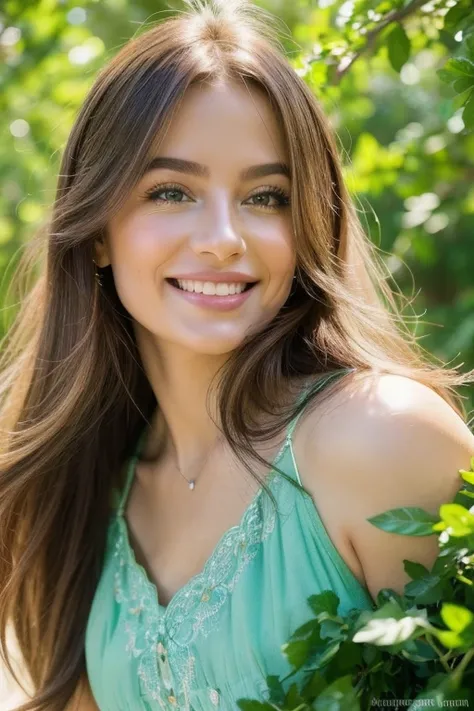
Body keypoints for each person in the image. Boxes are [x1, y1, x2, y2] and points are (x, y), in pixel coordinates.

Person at [1, 0, 473, 709]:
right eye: (171, 191)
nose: (224, 236)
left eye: (265, 196)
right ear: (96, 231)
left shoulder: (380, 438)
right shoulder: (88, 491)